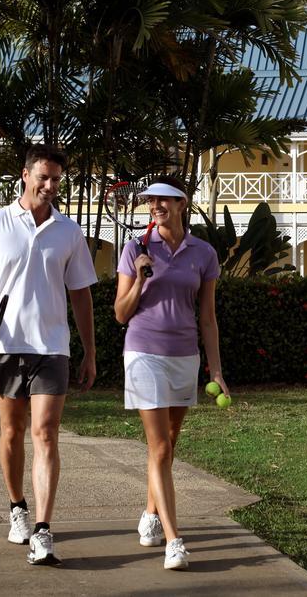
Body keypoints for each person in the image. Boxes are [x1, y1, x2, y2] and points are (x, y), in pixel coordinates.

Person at [0, 145, 98, 566]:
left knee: (47, 433)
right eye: (43, 177)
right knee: (12, 433)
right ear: (24, 175)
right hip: (6, 346)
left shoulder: (68, 231)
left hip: (52, 347)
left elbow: (81, 295)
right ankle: (17, 507)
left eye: (56, 179)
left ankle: (42, 530)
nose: (50, 186)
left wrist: (89, 351)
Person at [114, 176, 227, 571]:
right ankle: (174, 539)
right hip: (143, 352)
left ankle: (149, 512)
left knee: (170, 443)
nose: (156, 205)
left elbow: (208, 318)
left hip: (185, 355)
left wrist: (216, 368)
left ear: (182, 203)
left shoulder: (204, 253)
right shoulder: (136, 249)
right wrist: (141, 278)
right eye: (151, 200)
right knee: (159, 447)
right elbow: (120, 313)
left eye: (164, 199)